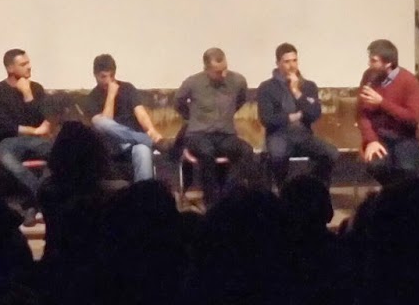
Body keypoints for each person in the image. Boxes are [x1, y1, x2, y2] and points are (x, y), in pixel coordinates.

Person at [173, 47, 253, 207]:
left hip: (225, 134)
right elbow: (178, 102)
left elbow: (241, 99)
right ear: (206, 69)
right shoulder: (192, 83)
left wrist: (228, 114)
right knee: (206, 152)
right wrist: (191, 117)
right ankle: (212, 202)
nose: (223, 74)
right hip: (198, 134)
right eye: (218, 72)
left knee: (246, 151)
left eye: (225, 69)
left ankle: (228, 194)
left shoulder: (237, 81)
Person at [255, 43, 338, 188]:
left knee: (331, 153)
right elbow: (267, 119)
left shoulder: (308, 86)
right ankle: (285, 191)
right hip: (278, 135)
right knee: (278, 155)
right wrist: (293, 117)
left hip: (303, 135)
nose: (292, 65)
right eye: (287, 62)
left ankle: (315, 188)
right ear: (278, 63)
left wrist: (296, 92)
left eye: (294, 60)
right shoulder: (267, 87)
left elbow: (314, 114)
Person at [0, 48, 54, 218]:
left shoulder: (36, 89)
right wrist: (34, 130)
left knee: (58, 153)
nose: (29, 66)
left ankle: (32, 204)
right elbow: (3, 126)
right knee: (10, 162)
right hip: (8, 142)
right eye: (23, 64)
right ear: (10, 68)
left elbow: (40, 120)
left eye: (28, 62)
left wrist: (28, 95)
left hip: (35, 141)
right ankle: (43, 198)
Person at [356, 38, 419, 182]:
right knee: (376, 165)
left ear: (388, 63)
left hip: (404, 137)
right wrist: (371, 140)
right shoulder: (369, 76)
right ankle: (390, 192)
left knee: (406, 171)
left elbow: (412, 117)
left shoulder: (409, 81)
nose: (369, 64)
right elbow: (361, 113)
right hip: (379, 137)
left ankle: (398, 193)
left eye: (374, 61)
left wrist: (382, 102)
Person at [89, 54, 164, 181]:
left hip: (134, 144)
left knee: (143, 150)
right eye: (103, 76)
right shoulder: (91, 98)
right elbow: (106, 122)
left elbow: (141, 113)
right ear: (95, 75)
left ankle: (144, 192)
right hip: (112, 144)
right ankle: (146, 140)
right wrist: (111, 95)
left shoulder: (127, 88)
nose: (108, 80)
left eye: (112, 76)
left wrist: (151, 130)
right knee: (100, 122)